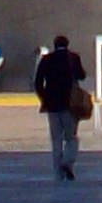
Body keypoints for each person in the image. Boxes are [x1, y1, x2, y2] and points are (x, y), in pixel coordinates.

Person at [33, 34, 87, 179]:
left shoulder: (47, 59)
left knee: (56, 139)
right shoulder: (73, 58)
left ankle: (58, 173)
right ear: (67, 44)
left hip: (52, 105)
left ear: (54, 45)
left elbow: (38, 82)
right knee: (71, 137)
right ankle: (68, 161)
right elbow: (82, 75)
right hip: (70, 104)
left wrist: (44, 97)